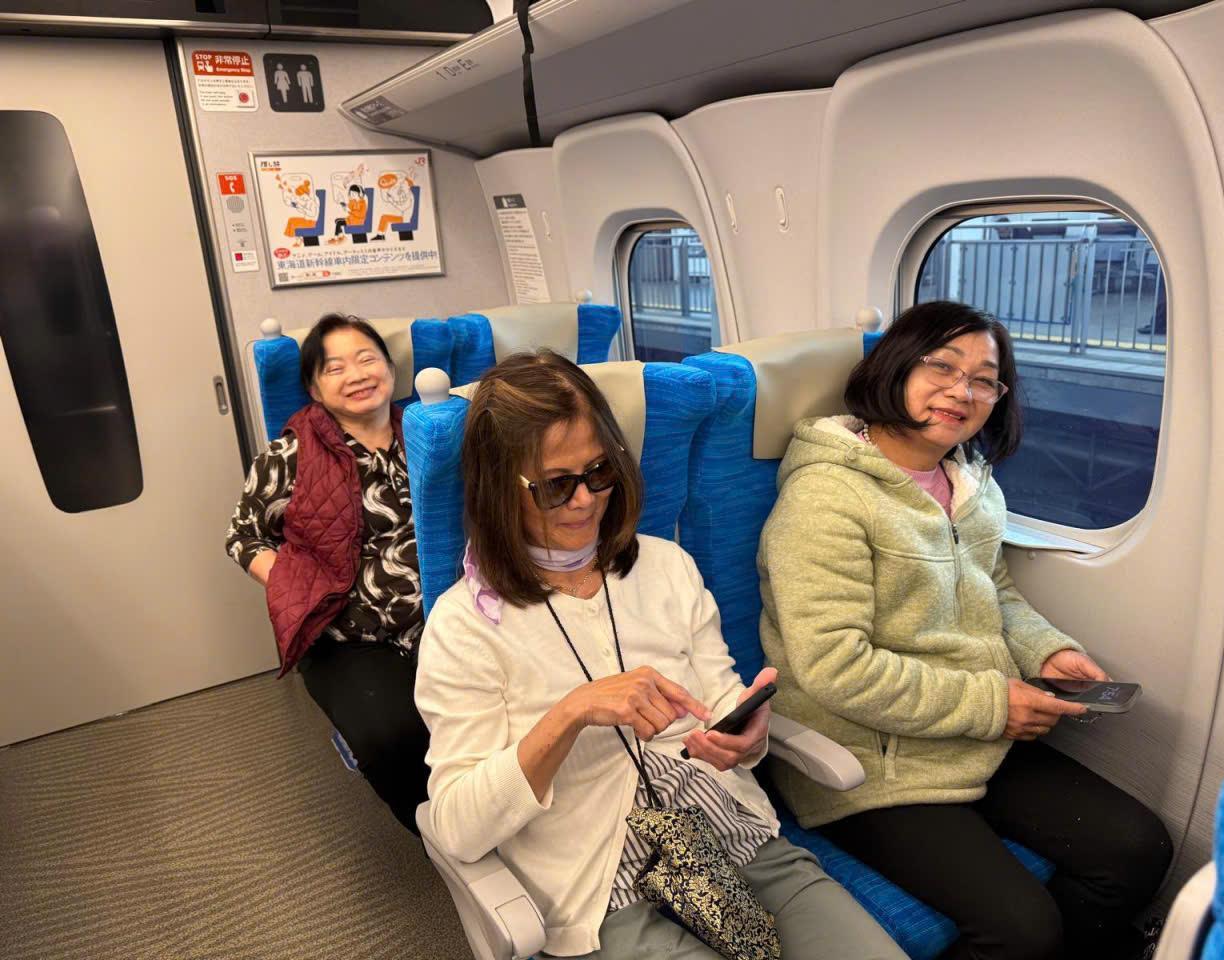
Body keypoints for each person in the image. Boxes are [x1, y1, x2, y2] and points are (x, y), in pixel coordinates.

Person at [415, 350, 908, 960]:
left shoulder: (668, 566)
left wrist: (744, 734)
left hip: (730, 834)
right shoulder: (464, 625)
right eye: (555, 485)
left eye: (599, 471)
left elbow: (719, 698)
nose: (584, 501)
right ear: (498, 490)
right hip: (600, 886)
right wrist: (570, 714)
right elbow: (457, 827)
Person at [757, 301, 1171, 960]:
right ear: (895, 368)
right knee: (1023, 929)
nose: (963, 391)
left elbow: (993, 592)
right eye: (943, 367)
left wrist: (1047, 651)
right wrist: (993, 705)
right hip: (871, 759)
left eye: (984, 380)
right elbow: (834, 666)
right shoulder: (825, 499)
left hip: (971, 732)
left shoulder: (969, 481)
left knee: (1138, 849)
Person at [226, 313, 427, 833]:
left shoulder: (428, 433)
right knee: (394, 737)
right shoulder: (289, 455)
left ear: (390, 369)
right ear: (315, 388)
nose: (356, 374)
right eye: (335, 368)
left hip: (443, 617)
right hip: (346, 633)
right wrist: (299, 585)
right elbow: (243, 537)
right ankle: (441, 836)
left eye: (366, 359)